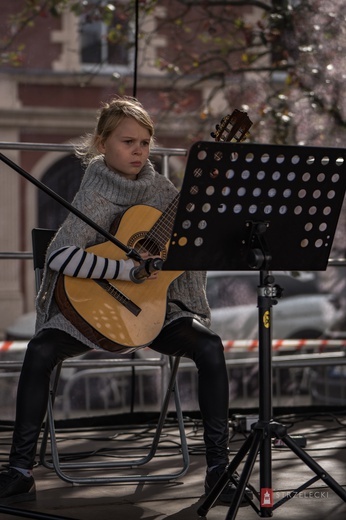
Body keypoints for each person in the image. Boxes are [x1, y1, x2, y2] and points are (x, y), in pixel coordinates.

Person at [0, 96, 251, 506]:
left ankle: (219, 470)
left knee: (210, 347)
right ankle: (20, 470)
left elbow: (189, 249)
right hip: (90, 312)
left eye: (146, 143)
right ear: (102, 144)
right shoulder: (93, 193)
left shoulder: (165, 191)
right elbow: (59, 255)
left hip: (154, 311)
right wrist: (125, 271)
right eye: (128, 142)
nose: (138, 151)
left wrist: (198, 228)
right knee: (40, 351)